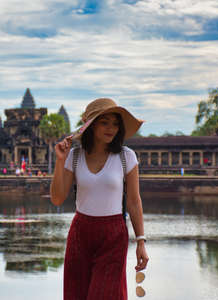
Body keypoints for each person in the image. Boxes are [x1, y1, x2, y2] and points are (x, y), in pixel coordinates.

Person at [50, 98, 149, 300]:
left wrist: (140, 241)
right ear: (91, 124)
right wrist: (60, 162)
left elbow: (133, 201)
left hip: (113, 235)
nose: (111, 128)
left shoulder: (126, 157)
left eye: (115, 123)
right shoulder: (74, 156)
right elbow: (58, 198)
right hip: (80, 233)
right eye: (104, 122)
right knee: (76, 294)